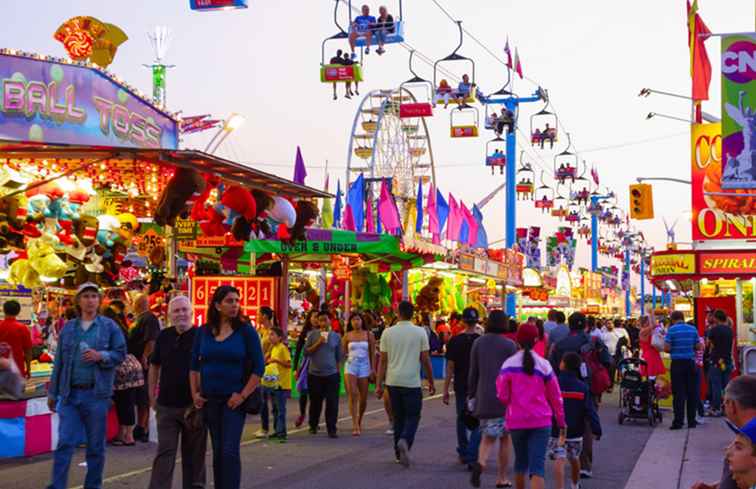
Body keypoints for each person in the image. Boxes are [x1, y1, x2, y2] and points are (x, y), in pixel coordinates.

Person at [46, 283, 126, 489]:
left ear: (99, 301)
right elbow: (59, 363)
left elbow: (120, 354)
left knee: (96, 447)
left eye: (94, 296)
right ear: (79, 301)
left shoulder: (109, 327)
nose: (90, 300)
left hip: (96, 395)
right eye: (86, 296)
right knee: (65, 442)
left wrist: (102, 356)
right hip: (70, 395)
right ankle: (57, 485)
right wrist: (53, 392)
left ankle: (93, 485)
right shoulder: (69, 328)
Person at [190, 285, 264, 489]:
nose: (234, 305)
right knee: (217, 450)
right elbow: (194, 364)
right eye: (229, 301)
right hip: (209, 399)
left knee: (229, 451)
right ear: (217, 305)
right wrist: (195, 392)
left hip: (233, 400)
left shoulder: (246, 331)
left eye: (236, 301)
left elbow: (259, 367)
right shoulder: (204, 331)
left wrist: (242, 395)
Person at [497, 322, 565, 489]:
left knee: (520, 463)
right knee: (537, 468)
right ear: (536, 340)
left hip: (516, 420)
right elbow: (556, 396)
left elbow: (502, 395)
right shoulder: (544, 365)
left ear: (517, 341)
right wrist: (561, 422)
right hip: (541, 421)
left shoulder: (508, 365)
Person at [148, 295, 207, 489]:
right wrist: (151, 396)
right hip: (166, 407)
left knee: (194, 457)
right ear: (169, 315)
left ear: (192, 312)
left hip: (193, 406)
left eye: (184, 310)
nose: (181, 314)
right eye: (176, 311)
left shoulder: (202, 336)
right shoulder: (164, 336)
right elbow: (154, 366)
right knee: (165, 454)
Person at [550, 312, 611, 479]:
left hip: (562, 388)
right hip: (588, 388)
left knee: (562, 420)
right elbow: (608, 361)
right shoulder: (593, 341)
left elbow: (552, 367)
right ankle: (584, 465)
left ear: (569, 326)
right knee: (586, 425)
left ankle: (562, 454)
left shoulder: (559, 344)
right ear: (585, 325)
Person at [376, 300, 435, 468]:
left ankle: (397, 454)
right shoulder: (420, 332)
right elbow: (425, 360)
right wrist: (431, 381)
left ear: (397, 313)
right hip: (412, 382)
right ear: (413, 314)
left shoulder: (388, 332)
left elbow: (383, 361)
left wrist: (379, 384)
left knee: (398, 418)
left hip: (393, 381)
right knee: (413, 416)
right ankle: (405, 440)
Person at [468, 310, 518, 488]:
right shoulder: (510, 345)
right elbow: (515, 375)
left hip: (484, 397)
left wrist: (471, 395)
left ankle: (480, 461)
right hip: (504, 399)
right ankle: (502, 478)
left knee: (487, 436)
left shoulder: (478, 343)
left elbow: (473, 372)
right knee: (505, 438)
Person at [691, 375, 756, 489]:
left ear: (732, 405)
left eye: (724, 404)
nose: (728, 451)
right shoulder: (746, 437)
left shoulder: (747, 442)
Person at [549, 352, 602, 489]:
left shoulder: (553, 384)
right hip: (576, 431)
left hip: (557, 429)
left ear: (563, 365)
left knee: (559, 459)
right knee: (574, 458)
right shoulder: (582, 387)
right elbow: (590, 411)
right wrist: (597, 429)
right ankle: (575, 484)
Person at [443, 307, 482, 466]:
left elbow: (450, 367)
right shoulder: (481, 341)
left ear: (463, 321)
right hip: (478, 386)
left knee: (461, 418)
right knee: (478, 419)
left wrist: (445, 389)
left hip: (460, 385)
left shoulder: (454, 341)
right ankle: (474, 450)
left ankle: (464, 452)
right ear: (477, 321)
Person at [105, 306, 143, 447]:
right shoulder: (122, 327)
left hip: (121, 369)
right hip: (132, 366)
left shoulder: (110, 329)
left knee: (122, 402)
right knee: (128, 402)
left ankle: (126, 436)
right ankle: (127, 434)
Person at [128, 294, 161, 443]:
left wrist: (145, 356)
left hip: (143, 363)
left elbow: (151, 340)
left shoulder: (149, 318)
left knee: (144, 395)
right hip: (137, 362)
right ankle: (141, 426)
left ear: (138, 304)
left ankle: (143, 428)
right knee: (141, 396)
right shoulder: (140, 319)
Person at [305, 310, 343, 437]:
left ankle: (331, 428)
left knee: (332, 403)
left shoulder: (336, 337)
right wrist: (318, 343)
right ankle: (313, 425)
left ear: (330, 321)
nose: (323, 323)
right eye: (320, 320)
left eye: (325, 320)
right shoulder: (312, 335)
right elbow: (306, 352)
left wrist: (338, 374)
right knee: (315, 402)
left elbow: (338, 357)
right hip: (315, 374)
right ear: (317, 322)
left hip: (331, 374)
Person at [664, 310, 703, 430]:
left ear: (673, 319)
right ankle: (691, 421)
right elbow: (698, 346)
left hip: (677, 364)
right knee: (692, 393)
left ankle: (678, 422)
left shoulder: (671, 330)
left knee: (678, 394)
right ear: (683, 318)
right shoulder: (693, 329)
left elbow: (666, 348)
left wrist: (675, 349)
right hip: (691, 364)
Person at [343, 312, 375, 436]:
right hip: (351, 364)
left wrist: (373, 369)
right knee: (353, 394)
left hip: (365, 365)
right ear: (350, 322)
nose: (356, 322)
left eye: (358, 319)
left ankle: (360, 418)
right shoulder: (347, 335)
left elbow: (372, 353)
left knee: (363, 397)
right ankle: (355, 424)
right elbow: (343, 351)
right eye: (353, 320)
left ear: (362, 321)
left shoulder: (369, 335)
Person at [262, 327, 291, 441]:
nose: (270, 337)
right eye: (269, 335)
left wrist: (276, 360)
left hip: (282, 383)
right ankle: (276, 429)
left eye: (273, 334)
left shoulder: (283, 348)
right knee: (274, 409)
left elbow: (288, 364)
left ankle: (282, 432)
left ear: (279, 337)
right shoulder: (273, 348)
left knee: (280, 409)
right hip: (273, 382)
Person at [707, 309, 734, 416]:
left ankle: (716, 408)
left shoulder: (714, 330)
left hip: (716, 361)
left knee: (716, 385)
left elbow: (708, 344)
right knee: (726, 386)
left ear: (716, 318)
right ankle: (727, 409)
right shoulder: (729, 330)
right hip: (727, 361)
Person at [255, 305, 277, 438]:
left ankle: (275, 427)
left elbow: (274, 347)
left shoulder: (272, 331)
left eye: (258, 314)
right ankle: (264, 427)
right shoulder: (260, 330)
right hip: (260, 367)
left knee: (272, 398)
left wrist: (266, 358)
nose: (257, 317)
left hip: (270, 368)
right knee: (262, 398)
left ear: (264, 316)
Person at [293, 310, 316, 428]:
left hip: (318, 365)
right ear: (309, 319)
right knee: (303, 391)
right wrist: (295, 368)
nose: (316, 319)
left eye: (319, 317)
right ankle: (302, 414)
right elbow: (297, 351)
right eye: (314, 317)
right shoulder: (305, 333)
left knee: (315, 395)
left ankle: (313, 420)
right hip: (305, 365)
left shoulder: (324, 333)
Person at [0, 300, 32, 379]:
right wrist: (28, 369)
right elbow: (28, 351)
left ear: (4, 310)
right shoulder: (22, 328)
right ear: (18, 312)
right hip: (17, 370)